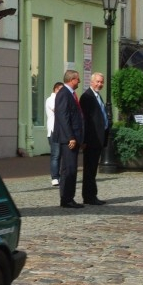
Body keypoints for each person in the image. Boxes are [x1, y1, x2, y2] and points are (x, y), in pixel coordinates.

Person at [52, 69, 84, 209]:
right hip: (68, 138)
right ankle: (66, 199)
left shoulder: (70, 94)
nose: (79, 81)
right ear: (72, 79)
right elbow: (63, 117)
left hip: (73, 137)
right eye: (77, 79)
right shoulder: (64, 94)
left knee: (70, 169)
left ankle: (68, 198)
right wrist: (70, 136)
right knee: (69, 169)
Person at [79, 72, 110, 205]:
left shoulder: (97, 96)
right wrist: (84, 140)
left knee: (92, 169)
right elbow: (85, 120)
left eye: (101, 82)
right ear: (91, 82)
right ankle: (89, 196)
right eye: (97, 81)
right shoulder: (87, 97)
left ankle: (91, 195)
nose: (100, 84)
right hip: (91, 139)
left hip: (99, 138)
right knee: (89, 169)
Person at [45, 81, 63, 187]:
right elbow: (57, 110)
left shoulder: (60, 99)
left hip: (61, 130)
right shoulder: (51, 99)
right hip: (53, 130)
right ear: (55, 89)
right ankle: (55, 177)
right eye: (60, 90)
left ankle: (59, 175)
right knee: (55, 154)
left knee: (60, 154)